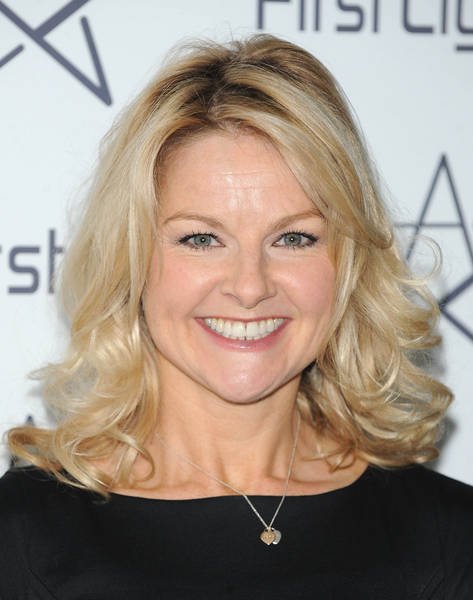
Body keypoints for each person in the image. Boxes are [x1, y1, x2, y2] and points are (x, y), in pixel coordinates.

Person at [1, 34, 472, 599]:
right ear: (132, 259)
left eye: (294, 238)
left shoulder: (448, 537)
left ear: (348, 264)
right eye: (201, 239)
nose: (250, 287)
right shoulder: (22, 536)